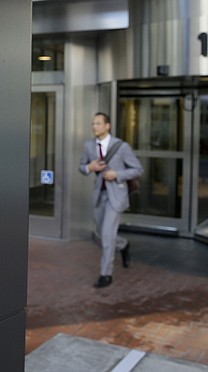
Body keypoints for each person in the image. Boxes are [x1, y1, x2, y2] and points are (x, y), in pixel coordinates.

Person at [78, 112, 143, 289]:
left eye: (98, 124)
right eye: (93, 124)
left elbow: (138, 169)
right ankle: (124, 245)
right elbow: (81, 168)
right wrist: (89, 167)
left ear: (107, 126)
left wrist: (117, 174)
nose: (94, 127)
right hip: (99, 194)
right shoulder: (88, 146)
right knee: (100, 231)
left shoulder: (121, 147)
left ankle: (106, 274)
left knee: (107, 234)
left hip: (116, 195)